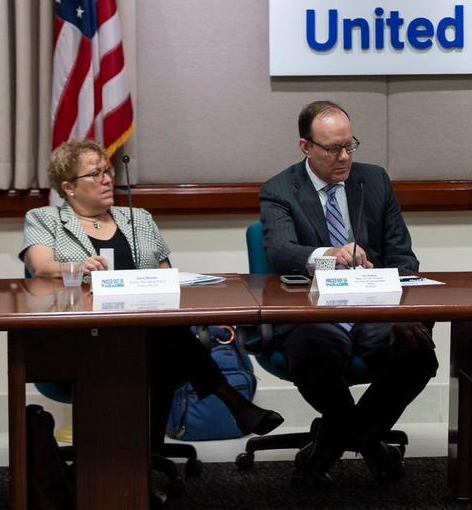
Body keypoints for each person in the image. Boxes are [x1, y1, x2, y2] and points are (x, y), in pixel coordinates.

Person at [21, 141, 283, 452]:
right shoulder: (44, 219)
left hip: (142, 334)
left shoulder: (139, 218)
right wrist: (78, 267)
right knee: (167, 344)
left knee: (162, 341)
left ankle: (143, 463)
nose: (106, 178)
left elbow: (165, 276)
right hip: (80, 337)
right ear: (68, 187)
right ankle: (230, 401)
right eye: (95, 174)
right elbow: (39, 266)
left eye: (108, 171)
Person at [260, 100, 438, 487]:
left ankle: (326, 449)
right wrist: (329, 257)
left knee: (418, 353)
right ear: (305, 147)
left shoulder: (373, 180)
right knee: (315, 351)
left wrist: (394, 295)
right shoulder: (280, 189)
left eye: (349, 145)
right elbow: (280, 252)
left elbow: (402, 255)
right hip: (315, 313)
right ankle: (373, 447)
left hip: (373, 310)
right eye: (332, 148)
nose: (344, 157)